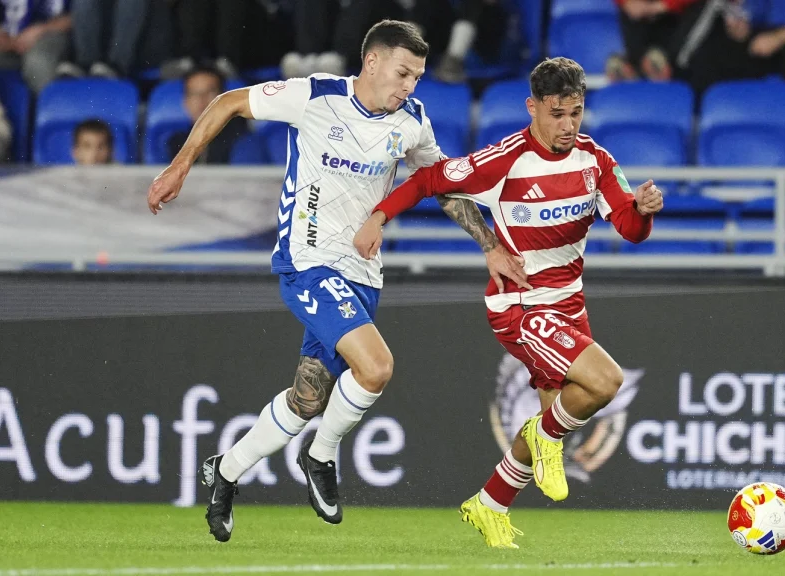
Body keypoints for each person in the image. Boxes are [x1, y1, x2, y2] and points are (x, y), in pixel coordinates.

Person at [146, 19, 528, 542]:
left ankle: (224, 472)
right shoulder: (315, 96)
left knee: (308, 398)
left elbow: (442, 185)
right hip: (307, 262)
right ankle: (320, 455)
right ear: (372, 62)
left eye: (416, 77)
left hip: (362, 274)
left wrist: (488, 246)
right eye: (402, 73)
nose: (409, 86)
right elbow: (229, 102)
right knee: (376, 368)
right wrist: (180, 167)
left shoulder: (412, 122)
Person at [353, 57, 665, 549]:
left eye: (576, 114)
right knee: (606, 382)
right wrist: (378, 216)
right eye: (557, 113)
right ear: (533, 107)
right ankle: (544, 438)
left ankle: (490, 503)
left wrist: (643, 212)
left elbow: (629, 228)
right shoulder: (505, 160)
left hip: (569, 305)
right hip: (520, 306)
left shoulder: (597, 162)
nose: (567, 125)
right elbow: (427, 180)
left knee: (561, 412)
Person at [166, 67, 249, 165]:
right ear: (185, 101)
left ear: (225, 99)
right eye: (194, 93)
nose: (201, 100)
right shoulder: (175, 142)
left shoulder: (243, 140)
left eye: (210, 92)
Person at [0, 0, 72, 93]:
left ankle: (50, 105)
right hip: (9, 38)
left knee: (37, 62)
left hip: (52, 34)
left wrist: (43, 30)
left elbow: (79, 16)